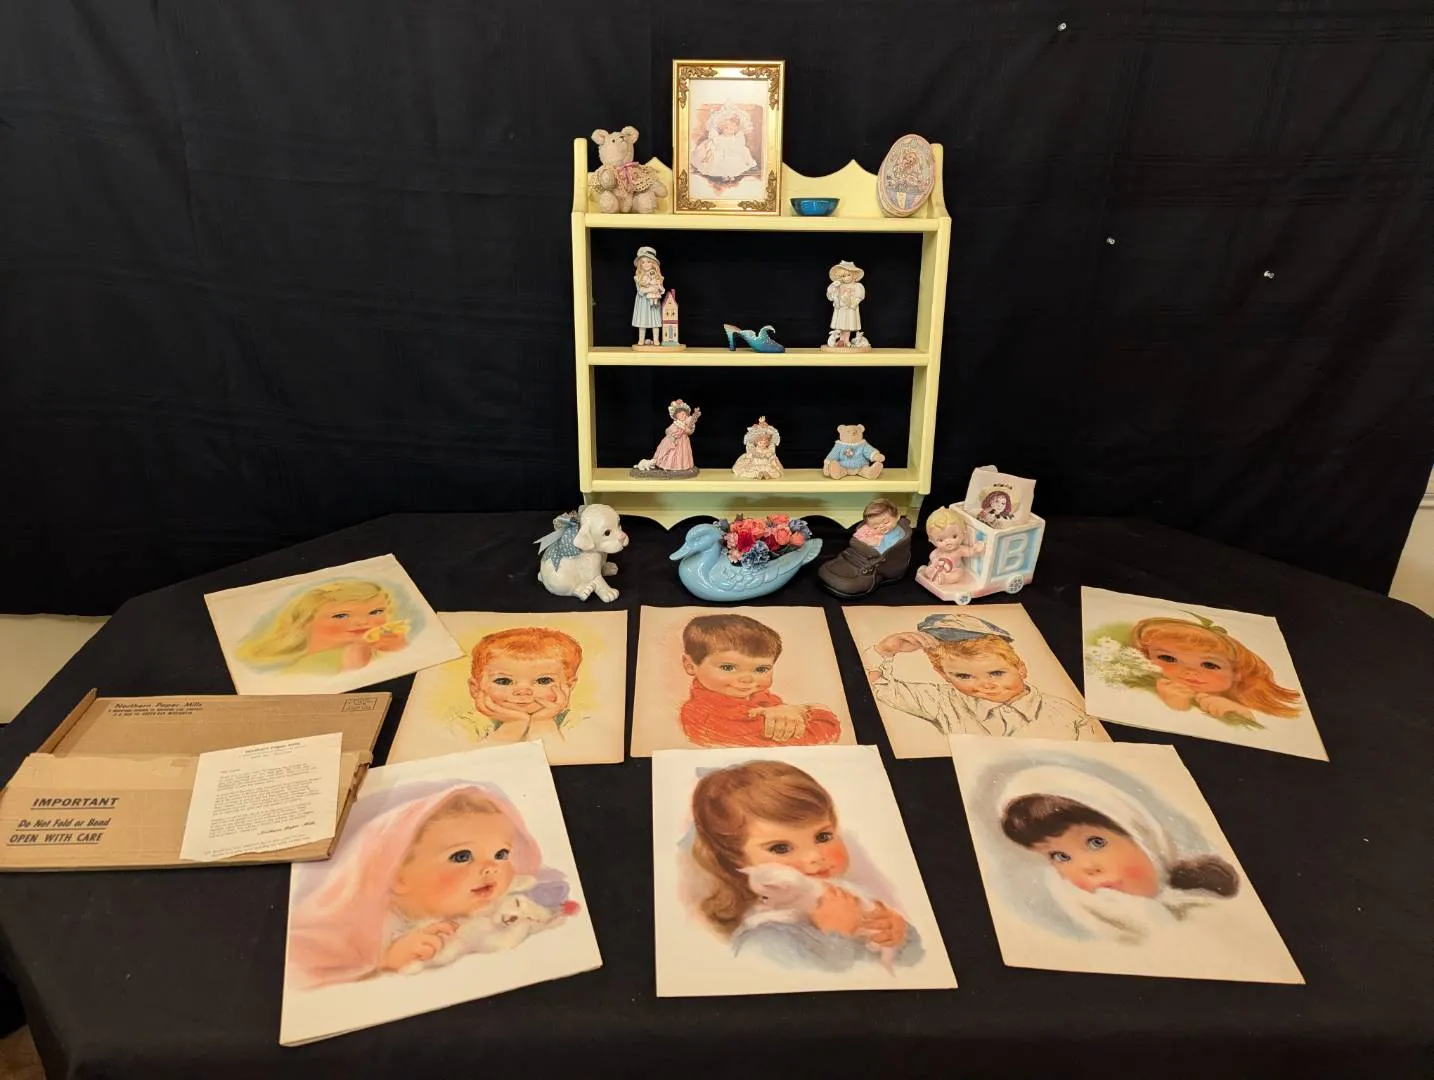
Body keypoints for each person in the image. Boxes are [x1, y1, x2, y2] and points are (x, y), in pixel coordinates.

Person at [286, 784, 574, 989]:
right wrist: (388, 960)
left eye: (501, 854)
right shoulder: (374, 927)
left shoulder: (502, 901)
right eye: (461, 856)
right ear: (397, 875)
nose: (492, 868)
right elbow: (315, 975)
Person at [688, 760, 921, 971]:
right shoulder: (766, 934)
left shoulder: (850, 894)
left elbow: (912, 963)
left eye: (823, 836)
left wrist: (900, 935)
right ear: (736, 858)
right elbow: (817, 984)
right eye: (781, 848)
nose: (814, 857)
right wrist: (836, 934)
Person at [997, 764, 1239, 944]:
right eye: (1061, 856)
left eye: (1096, 842)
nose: (1087, 866)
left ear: (1142, 838)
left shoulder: (1203, 909)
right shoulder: (1090, 920)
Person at [863, 614, 1095, 739]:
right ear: (944, 675)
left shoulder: (1066, 713)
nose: (985, 685)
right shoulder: (942, 700)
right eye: (964, 676)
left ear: (1020, 668)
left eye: (997, 673)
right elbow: (878, 687)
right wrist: (885, 650)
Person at [678, 614, 841, 747]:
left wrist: (797, 710)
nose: (747, 679)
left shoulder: (758, 697)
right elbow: (822, 735)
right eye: (728, 667)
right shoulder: (709, 716)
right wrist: (809, 709)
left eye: (761, 669)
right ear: (690, 665)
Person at [1130, 614, 1302, 725]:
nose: (1190, 671)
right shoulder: (1142, 685)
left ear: (1237, 673)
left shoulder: (1240, 707)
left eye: (1210, 665)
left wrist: (1241, 716)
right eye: (1168, 658)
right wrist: (1177, 706)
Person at [236, 579, 409, 675]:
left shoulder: (379, 651)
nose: (362, 622)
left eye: (376, 612)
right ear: (305, 622)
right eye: (341, 615)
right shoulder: (306, 670)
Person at [465, 627, 583, 743]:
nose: (523, 691)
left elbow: (558, 754)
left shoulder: (577, 723)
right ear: (475, 688)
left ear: (568, 686)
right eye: (504, 681)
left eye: (543, 681)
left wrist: (543, 721)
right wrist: (513, 725)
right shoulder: (467, 726)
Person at [917, 506, 984, 587]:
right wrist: (934, 561)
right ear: (932, 541)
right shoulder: (939, 550)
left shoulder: (959, 550)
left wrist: (975, 549)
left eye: (954, 536)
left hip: (954, 569)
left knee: (957, 575)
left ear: (964, 533)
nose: (948, 542)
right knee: (930, 568)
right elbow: (932, 555)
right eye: (941, 540)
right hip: (939, 568)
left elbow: (969, 551)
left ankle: (944, 578)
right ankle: (927, 572)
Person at [692, 104, 758, 182]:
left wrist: (739, 151)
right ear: (722, 128)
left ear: (735, 129)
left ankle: (732, 174)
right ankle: (725, 175)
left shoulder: (736, 138)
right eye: (726, 128)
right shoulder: (719, 138)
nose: (729, 130)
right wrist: (709, 155)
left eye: (732, 129)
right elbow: (713, 146)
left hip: (732, 155)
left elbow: (740, 148)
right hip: (721, 156)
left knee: (738, 158)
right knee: (719, 162)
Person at [637, 399, 701, 474]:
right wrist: (672, 435)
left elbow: (690, 431)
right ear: (676, 416)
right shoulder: (676, 423)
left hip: (683, 441)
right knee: (671, 452)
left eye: (683, 414)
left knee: (682, 453)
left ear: (687, 415)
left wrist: (686, 429)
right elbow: (668, 431)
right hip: (673, 440)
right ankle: (669, 466)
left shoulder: (687, 423)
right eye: (679, 414)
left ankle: (681, 466)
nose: (681, 415)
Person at [825, 261, 866, 348]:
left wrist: (853, 303)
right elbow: (831, 294)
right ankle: (841, 339)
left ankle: (846, 340)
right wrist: (834, 287)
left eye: (848, 275)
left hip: (850, 308)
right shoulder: (839, 285)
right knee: (841, 323)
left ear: (854, 275)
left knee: (848, 323)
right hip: (841, 308)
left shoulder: (857, 286)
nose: (846, 278)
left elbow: (859, 297)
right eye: (843, 276)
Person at [632, 246, 665, 347]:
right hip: (643, 302)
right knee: (642, 321)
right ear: (640, 265)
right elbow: (640, 291)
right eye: (643, 262)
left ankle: (656, 340)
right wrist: (651, 289)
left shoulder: (657, 277)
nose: (645, 264)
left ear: (653, 263)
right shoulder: (638, 278)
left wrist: (658, 288)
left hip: (654, 301)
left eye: (648, 261)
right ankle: (641, 340)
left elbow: (661, 289)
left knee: (655, 321)